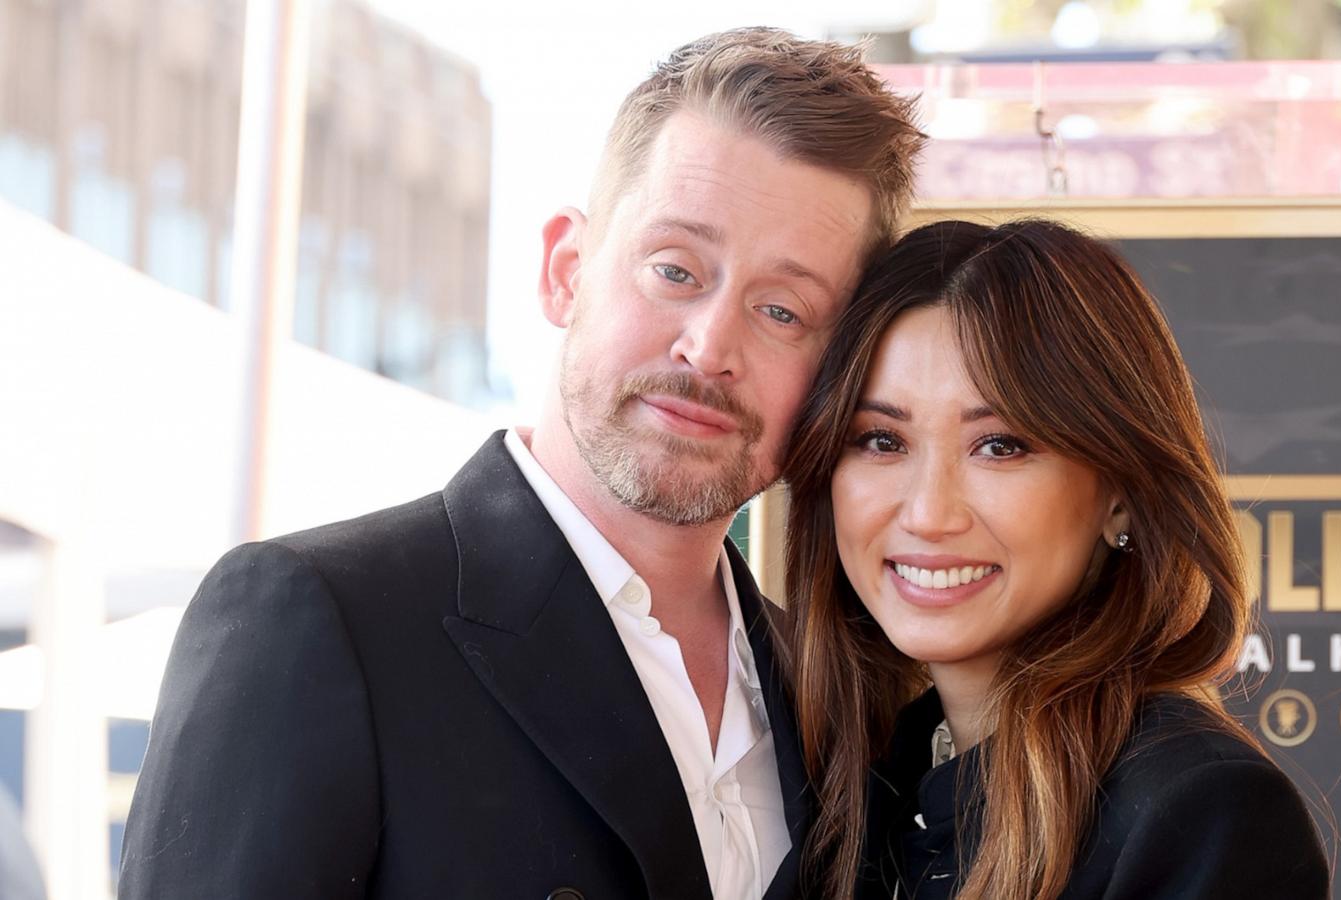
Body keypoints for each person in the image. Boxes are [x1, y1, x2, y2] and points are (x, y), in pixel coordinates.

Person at [119, 28, 922, 900]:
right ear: (565, 271)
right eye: (675, 270)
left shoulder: (844, 693)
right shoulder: (317, 622)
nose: (709, 346)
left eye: (782, 311)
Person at [781, 219, 1331, 900]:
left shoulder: (1197, 812)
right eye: (880, 440)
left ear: (1121, 497)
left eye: (1001, 446)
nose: (927, 512)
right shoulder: (860, 794)